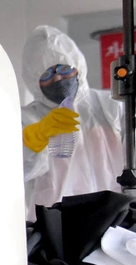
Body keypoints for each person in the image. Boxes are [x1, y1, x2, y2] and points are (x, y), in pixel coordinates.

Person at [20, 25, 124, 219]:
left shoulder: (110, 106)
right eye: (47, 75)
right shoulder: (28, 120)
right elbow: (11, 174)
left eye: (64, 69)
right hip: (57, 228)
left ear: (77, 66)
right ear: (34, 80)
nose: (59, 78)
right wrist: (34, 140)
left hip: (115, 219)